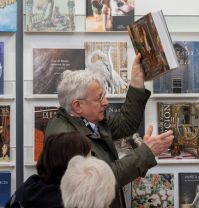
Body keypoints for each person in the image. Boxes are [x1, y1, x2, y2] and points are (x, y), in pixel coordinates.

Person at [45, 53, 174, 208]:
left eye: (104, 95)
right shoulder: (64, 138)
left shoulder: (90, 118)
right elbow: (99, 181)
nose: (105, 102)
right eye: (99, 98)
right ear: (77, 106)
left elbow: (125, 125)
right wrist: (147, 152)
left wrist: (137, 82)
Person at [5, 132, 92, 208]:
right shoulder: (72, 202)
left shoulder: (25, 191)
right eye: (88, 158)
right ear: (71, 163)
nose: (93, 163)